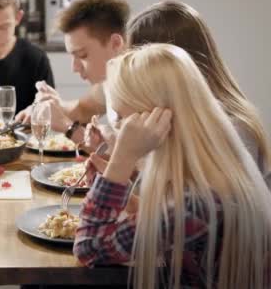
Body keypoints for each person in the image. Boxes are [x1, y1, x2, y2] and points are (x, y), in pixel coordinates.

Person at [74, 43, 271, 288]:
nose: (120, 128)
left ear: (156, 119)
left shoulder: (195, 205)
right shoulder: (220, 171)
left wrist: (121, 161)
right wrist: (123, 194)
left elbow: (88, 247)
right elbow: (162, 222)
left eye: (123, 118)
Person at [127, 0, 270, 177]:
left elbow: (195, 202)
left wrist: (129, 161)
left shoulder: (230, 129)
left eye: (139, 65)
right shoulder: (188, 119)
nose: (134, 78)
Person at [14, 0, 129, 139]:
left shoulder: (142, 85)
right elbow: (83, 110)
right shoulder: (111, 79)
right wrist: (54, 105)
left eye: (82, 55)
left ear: (116, 43)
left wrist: (66, 126)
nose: (74, 67)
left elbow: (126, 156)